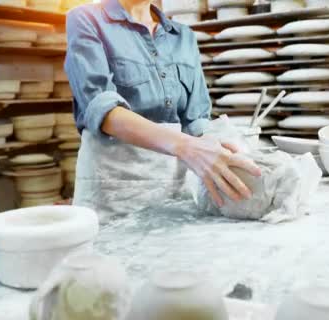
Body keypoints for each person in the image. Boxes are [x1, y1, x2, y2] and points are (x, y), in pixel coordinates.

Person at [64, 0, 261, 220]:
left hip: (173, 186)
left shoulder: (183, 36)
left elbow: (196, 119)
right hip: (114, 189)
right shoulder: (86, 19)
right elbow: (100, 108)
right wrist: (188, 147)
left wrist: (221, 151)